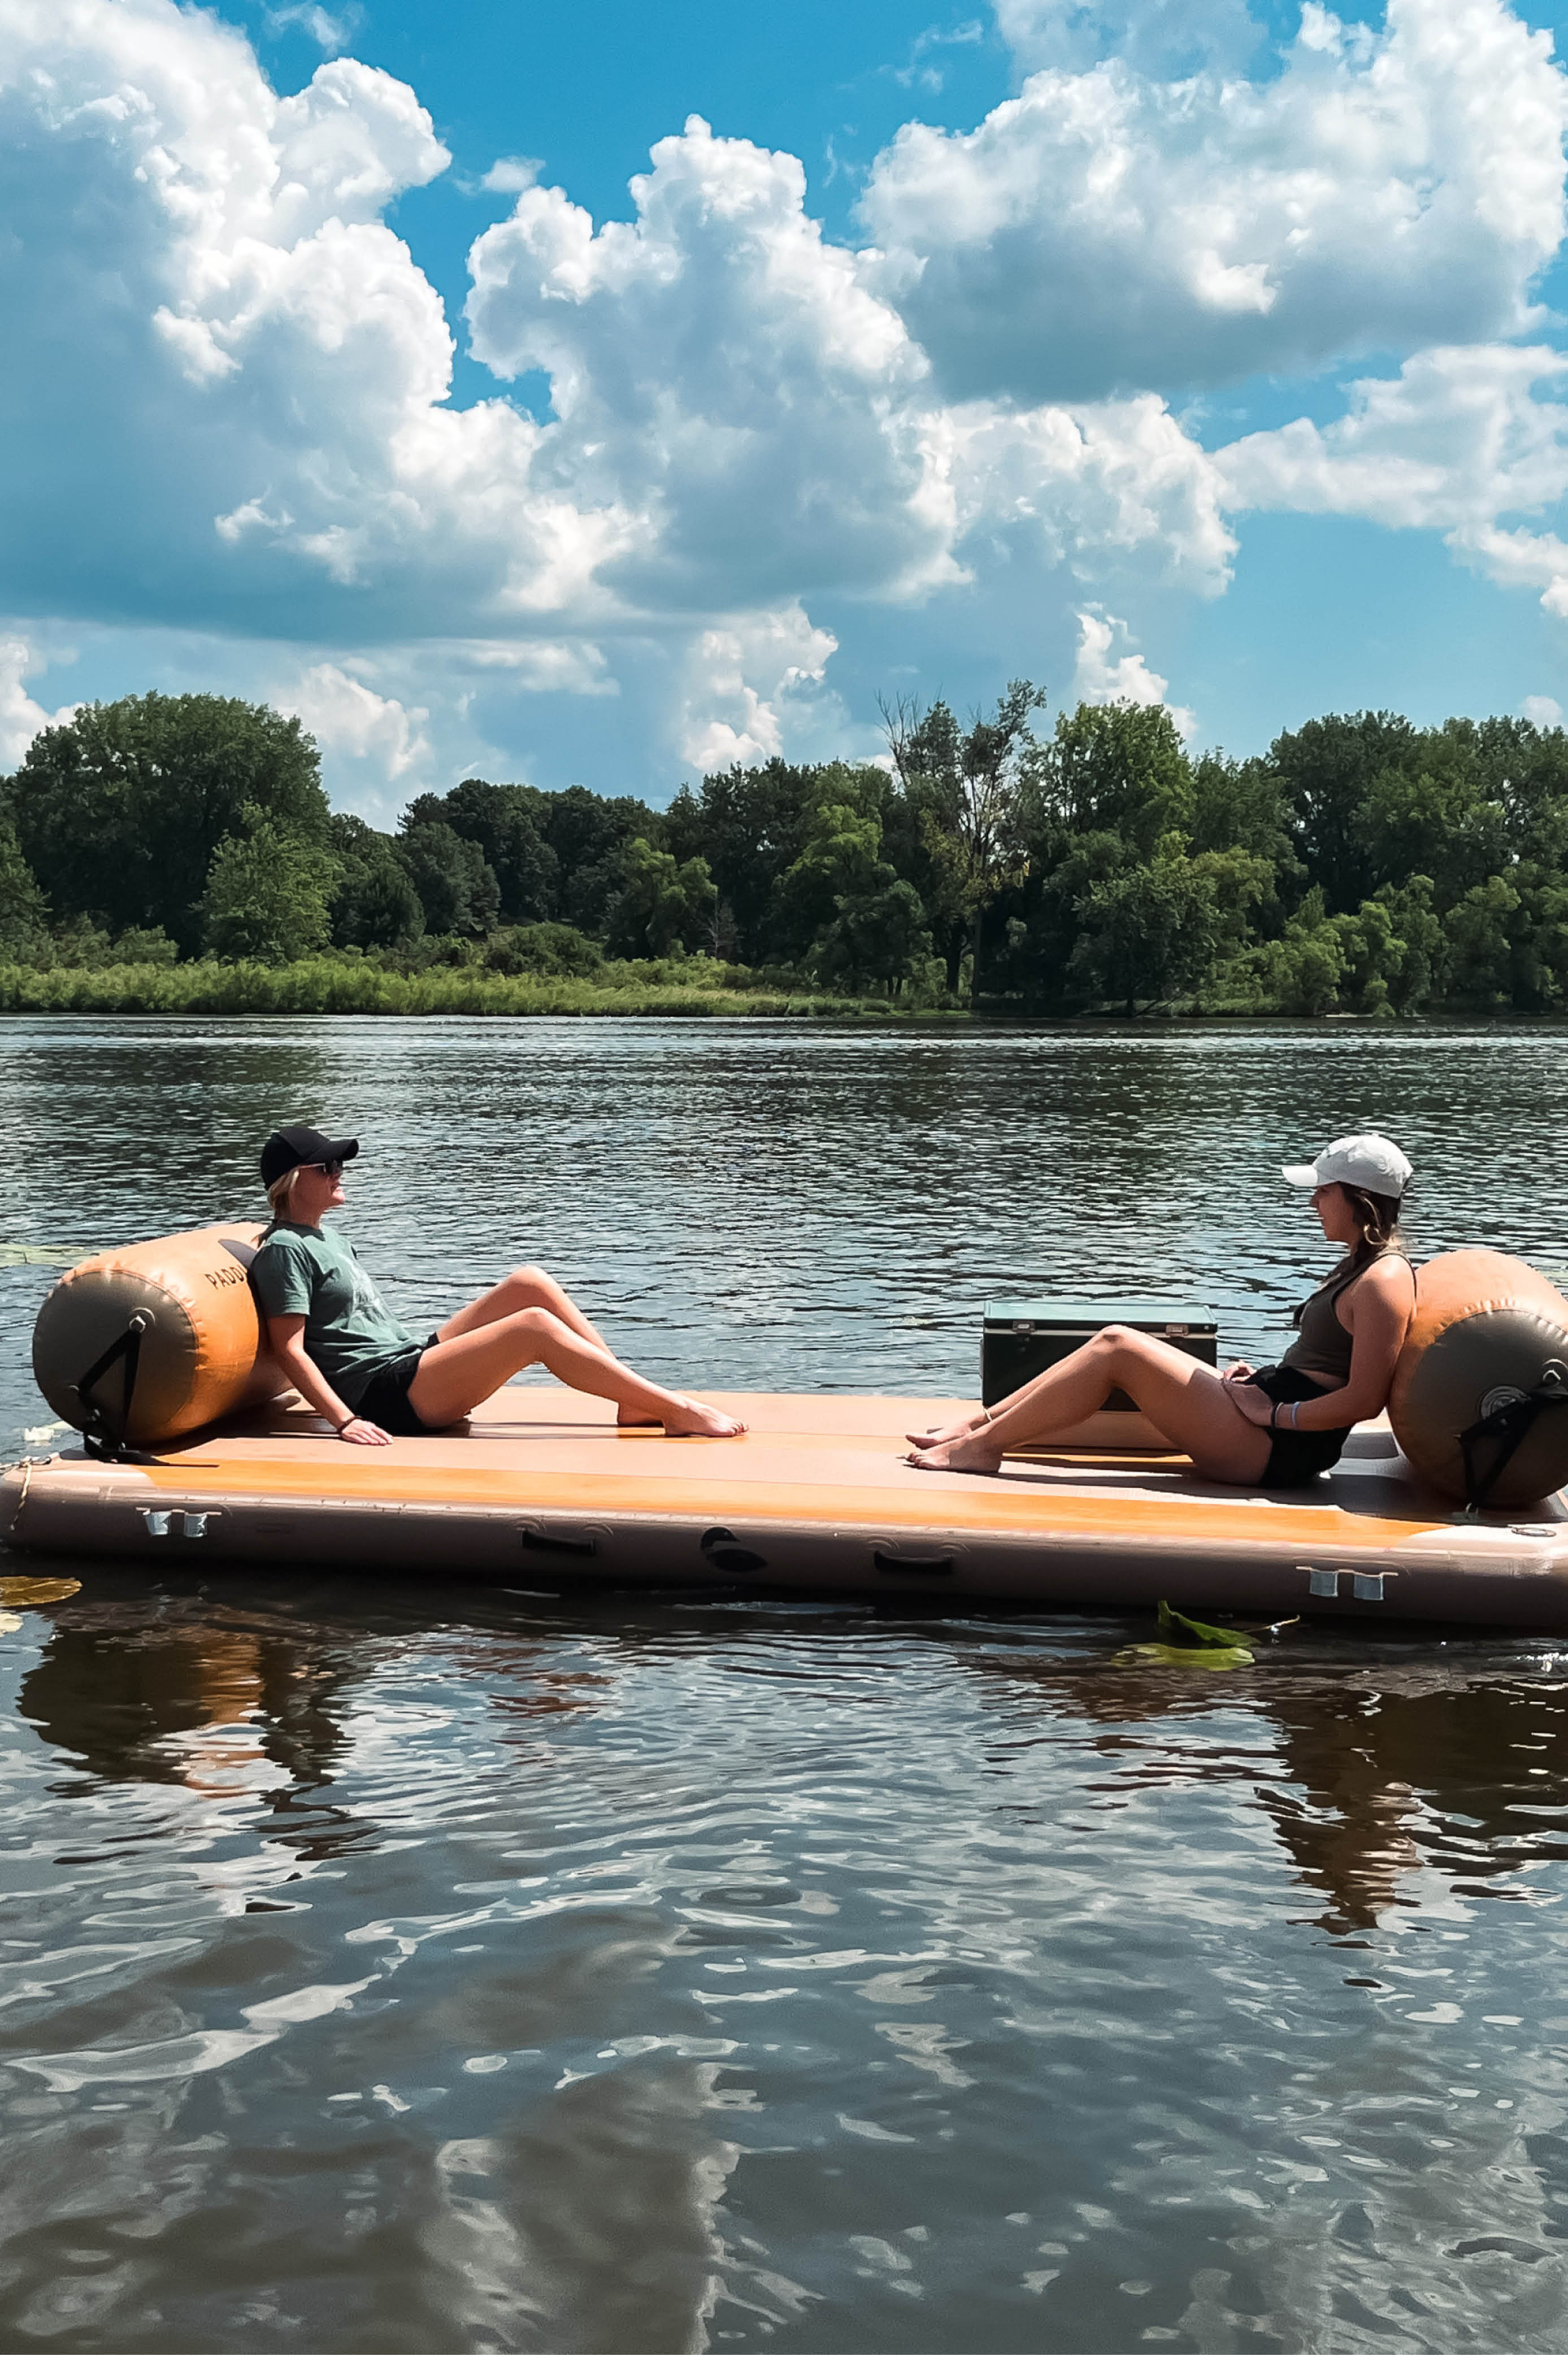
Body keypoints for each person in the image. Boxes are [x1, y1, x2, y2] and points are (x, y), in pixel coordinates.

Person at [907, 1133, 1416, 1487]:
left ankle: (981, 1447)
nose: (1312, 1205)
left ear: (1358, 1199)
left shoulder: (1382, 1281)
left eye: (1322, 1192)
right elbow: (1322, 1365)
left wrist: (1276, 1410)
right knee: (1114, 1337)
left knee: (1118, 1346)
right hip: (1269, 1418)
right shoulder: (1363, 1265)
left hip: (1277, 1449)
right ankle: (978, 1427)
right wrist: (1261, 1381)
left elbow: (1363, 1400)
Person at [250, 1124, 745, 1447]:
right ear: (294, 1181)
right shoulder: (285, 1250)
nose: (341, 1172)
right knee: (532, 1328)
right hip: (385, 1395)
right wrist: (344, 1421)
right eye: (328, 1166)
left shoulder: (326, 1236)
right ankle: (675, 1410)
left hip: (405, 1362)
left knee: (529, 1284)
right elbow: (291, 1350)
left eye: (339, 1163)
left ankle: (633, 1400)